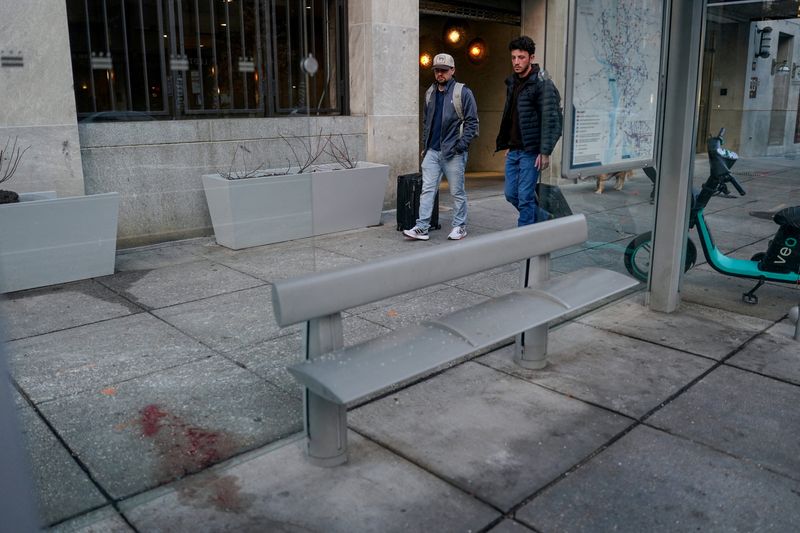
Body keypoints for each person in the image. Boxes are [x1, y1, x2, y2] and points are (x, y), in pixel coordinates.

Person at [404, 53, 479, 241]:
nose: (440, 74)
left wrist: (460, 146)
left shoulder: (463, 92)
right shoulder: (430, 93)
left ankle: (460, 226)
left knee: (457, 191)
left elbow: (472, 122)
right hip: (432, 151)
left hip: (453, 152)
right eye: (437, 70)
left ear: (452, 70)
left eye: (444, 70)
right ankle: (422, 227)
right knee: (428, 190)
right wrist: (425, 145)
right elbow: (426, 122)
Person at [496, 36, 562, 226]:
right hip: (514, 149)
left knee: (525, 197)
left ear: (531, 58)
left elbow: (552, 119)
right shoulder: (513, 83)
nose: (516, 62)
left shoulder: (542, 83)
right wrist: (509, 142)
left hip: (531, 151)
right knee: (511, 194)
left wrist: (545, 151)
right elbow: (512, 116)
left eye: (521, 57)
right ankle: (543, 219)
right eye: (514, 58)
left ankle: (525, 239)